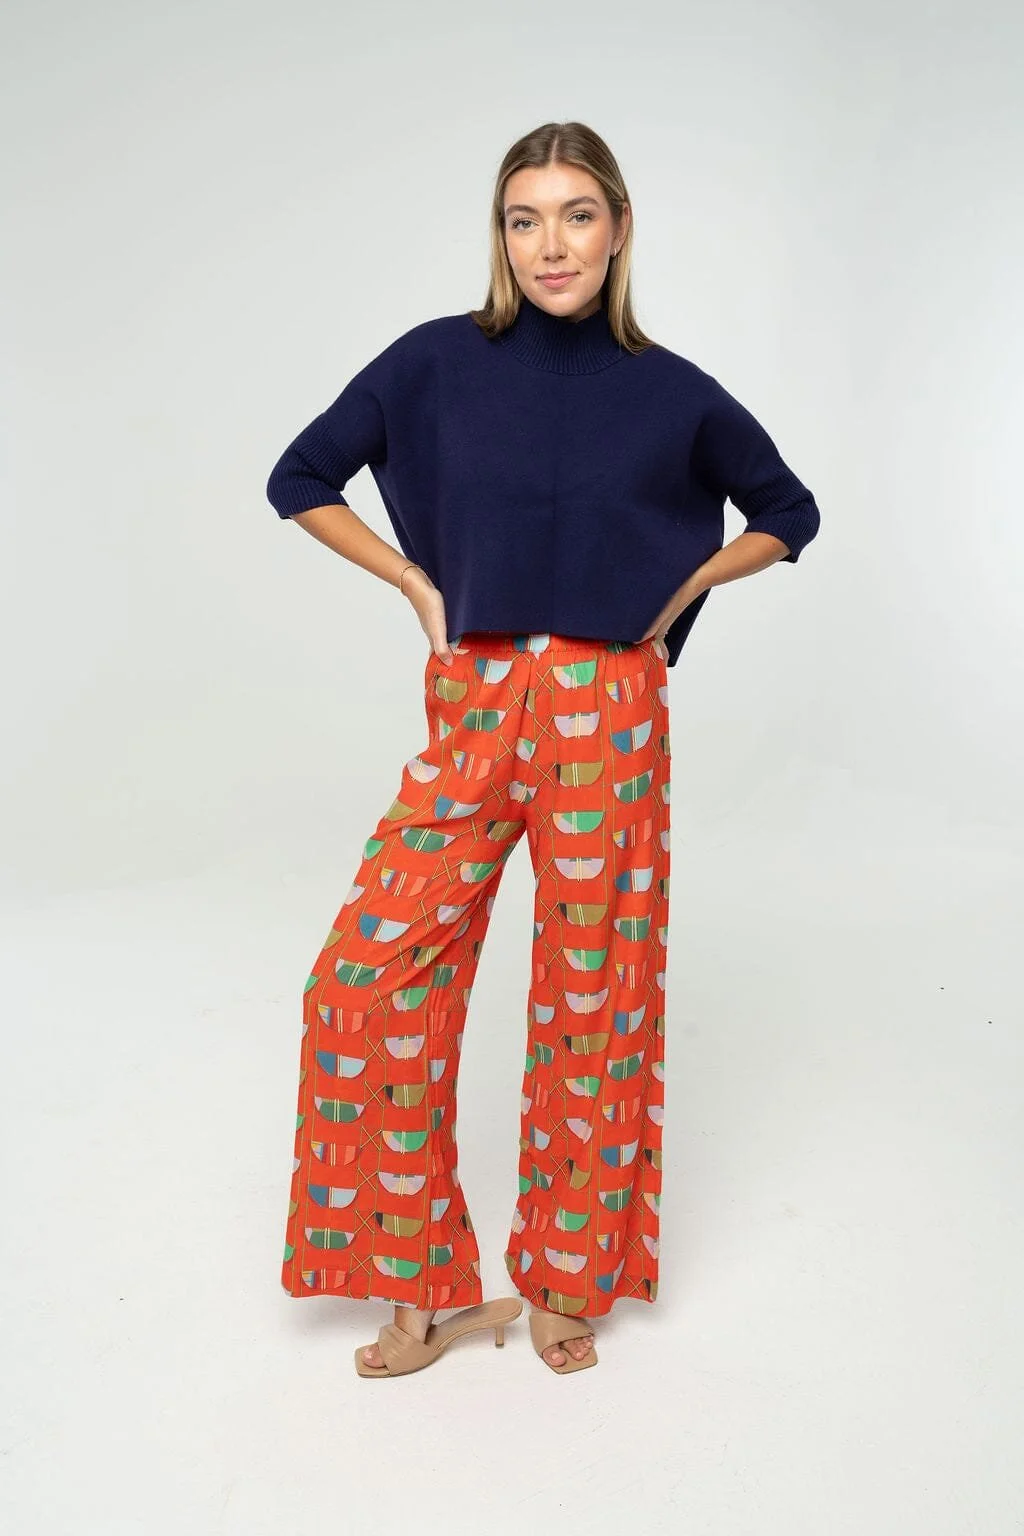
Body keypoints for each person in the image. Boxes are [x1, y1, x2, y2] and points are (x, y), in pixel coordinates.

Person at [264, 120, 821, 1379]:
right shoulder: (433, 361)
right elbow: (300, 477)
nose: (550, 244)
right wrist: (416, 583)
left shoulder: (673, 390)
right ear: (501, 236)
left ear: (617, 229)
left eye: (576, 215)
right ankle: (424, 1287)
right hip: (475, 697)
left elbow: (788, 511)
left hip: (608, 707)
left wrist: (679, 596)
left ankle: (568, 1281)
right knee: (363, 986)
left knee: (594, 996)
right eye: (525, 219)